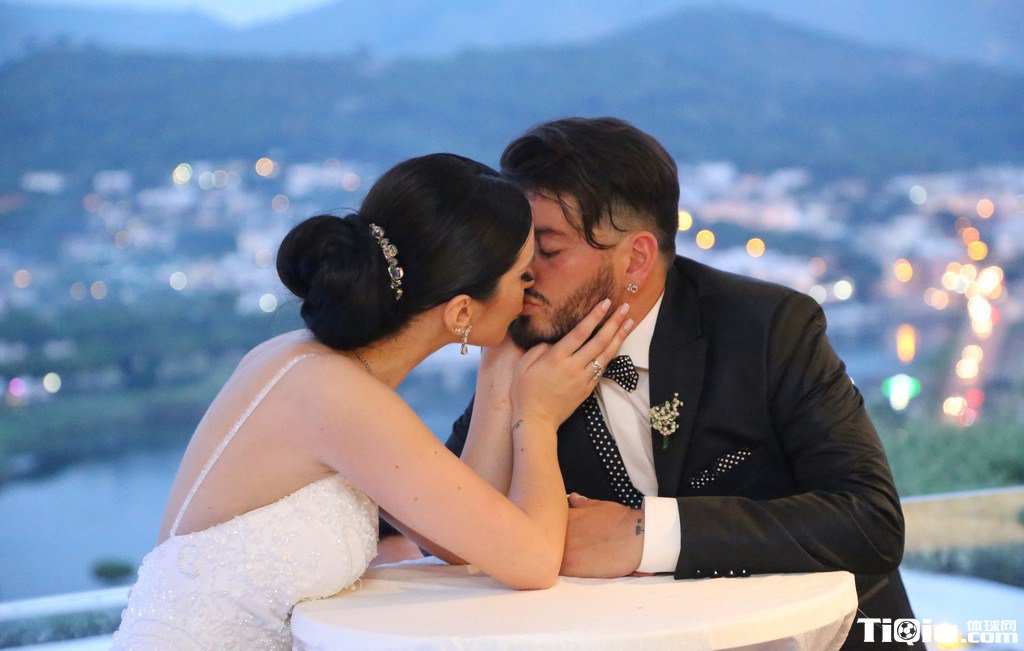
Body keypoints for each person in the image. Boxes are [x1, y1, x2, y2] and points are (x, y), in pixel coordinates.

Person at [112, 153, 634, 649]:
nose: (532, 290)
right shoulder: (335, 395)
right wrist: (538, 418)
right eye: (522, 276)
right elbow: (534, 561)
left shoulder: (312, 365)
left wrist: (500, 364)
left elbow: (460, 543)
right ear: (460, 312)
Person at [442, 118, 918, 650]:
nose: (524, 273)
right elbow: (448, 525)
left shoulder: (765, 328)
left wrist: (646, 535)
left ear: (636, 259)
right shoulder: (526, 344)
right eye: (517, 248)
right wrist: (497, 375)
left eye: (548, 251)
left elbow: (870, 521)